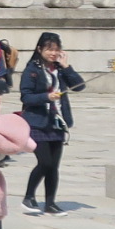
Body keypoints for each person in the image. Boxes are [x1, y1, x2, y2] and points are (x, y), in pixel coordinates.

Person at [19, 32, 84, 211]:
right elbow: (26, 97)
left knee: (54, 166)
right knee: (45, 162)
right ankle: (29, 196)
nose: (53, 53)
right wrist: (46, 97)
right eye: (49, 49)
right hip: (38, 122)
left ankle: (50, 203)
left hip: (57, 122)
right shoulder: (32, 70)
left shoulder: (60, 69)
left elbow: (79, 86)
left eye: (56, 49)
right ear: (40, 49)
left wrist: (67, 66)